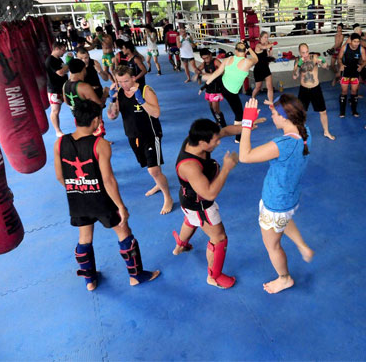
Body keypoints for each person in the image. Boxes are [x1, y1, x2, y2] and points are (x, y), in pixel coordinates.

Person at [54, 99, 160, 291]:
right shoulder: (100, 144)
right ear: (96, 120)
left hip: (77, 198)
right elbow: (108, 180)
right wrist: (121, 206)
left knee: (84, 238)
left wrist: (79, 188)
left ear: (76, 120)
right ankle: (136, 276)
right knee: (123, 232)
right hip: (102, 200)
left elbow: (60, 177)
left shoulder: (60, 143)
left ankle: (90, 281)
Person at [238, 95, 314, 294]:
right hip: (289, 196)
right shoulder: (305, 132)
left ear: (285, 117)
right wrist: (276, 105)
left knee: (272, 245)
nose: (272, 117)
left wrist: (246, 123)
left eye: (274, 114)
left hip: (276, 202)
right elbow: (292, 113)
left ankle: (284, 278)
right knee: (285, 219)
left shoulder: (283, 145)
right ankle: (302, 245)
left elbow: (244, 156)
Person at [171, 119, 250, 289]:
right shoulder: (190, 166)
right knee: (219, 237)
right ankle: (214, 277)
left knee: (191, 220)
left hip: (189, 201)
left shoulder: (197, 140)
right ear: (202, 143)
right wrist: (227, 168)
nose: (219, 142)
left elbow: (226, 131)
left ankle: (180, 246)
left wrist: (247, 126)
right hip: (200, 204)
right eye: (215, 141)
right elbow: (209, 193)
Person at [108, 66, 174, 215]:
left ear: (133, 78)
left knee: (153, 170)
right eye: (120, 81)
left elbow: (156, 113)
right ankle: (159, 183)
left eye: (126, 80)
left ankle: (167, 197)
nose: (124, 84)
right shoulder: (119, 92)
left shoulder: (145, 90)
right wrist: (112, 100)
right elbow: (112, 116)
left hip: (151, 135)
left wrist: (141, 101)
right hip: (133, 136)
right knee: (152, 168)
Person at [200, 41, 258, 143]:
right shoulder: (247, 62)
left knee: (217, 78)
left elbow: (218, 72)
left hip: (223, 86)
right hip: (231, 92)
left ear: (235, 51)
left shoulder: (228, 59)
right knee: (239, 114)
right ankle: (238, 138)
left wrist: (208, 82)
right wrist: (249, 48)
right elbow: (256, 58)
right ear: (245, 52)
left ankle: (205, 78)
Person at [294, 43, 335, 140]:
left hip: (315, 89)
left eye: (307, 51)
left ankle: (326, 131)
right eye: (303, 53)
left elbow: (326, 67)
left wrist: (323, 61)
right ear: (300, 53)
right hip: (304, 90)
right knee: (301, 113)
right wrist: (299, 64)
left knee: (323, 112)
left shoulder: (315, 58)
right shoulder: (297, 61)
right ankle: (300, 133)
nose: (306, 54)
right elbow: (295, 76)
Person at [337, 33, 366, 118]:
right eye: (355, 41)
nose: (356, 43)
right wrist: (341, 64)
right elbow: (339, 58)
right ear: (351, 41)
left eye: (358, 41)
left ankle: (354, 111)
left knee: (354, 91)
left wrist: (361, 66)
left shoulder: (361, 49)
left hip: (355, 72)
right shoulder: (345, 47)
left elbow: (365, 60)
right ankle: (342, 112)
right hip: (345, 71)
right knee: (344, 91)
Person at [197, 48, 227, 127]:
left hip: (216, 88)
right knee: (210, 106)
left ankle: (223, 125)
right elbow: (198, 69)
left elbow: (223, 71)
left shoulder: (216, 61)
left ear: (210, 55)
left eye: (207, 58)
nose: (206, 60)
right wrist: (199, 75)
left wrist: (212, 75)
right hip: (209, 87)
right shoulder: (204, 63)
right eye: (203, 58)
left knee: (216, 108)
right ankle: (217, 121)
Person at [46, 42, 70, 137]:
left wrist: (66, 67)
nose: (64, 52)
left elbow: (65, 70)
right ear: (56, 48)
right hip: (54, 89)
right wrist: (69, 64)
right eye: (63, 49)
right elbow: (60, 72)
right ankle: (57, 131)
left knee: (73, 104)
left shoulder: (58, 59)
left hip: (64, 87)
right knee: (55, 110)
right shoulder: (50, 60)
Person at [251, 31, 275, 103]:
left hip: (266, 69)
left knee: (270, 87)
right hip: (258, 70)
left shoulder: (266, 46)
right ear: (260, 38)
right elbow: (264, 47)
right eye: (265, 37)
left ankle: (271, 102)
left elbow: (269, 55)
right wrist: (271, 44)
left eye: (267, 37)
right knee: (258, 87)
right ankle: (253, 98)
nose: (266, 39)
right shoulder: (258, 45)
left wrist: (271, 49)